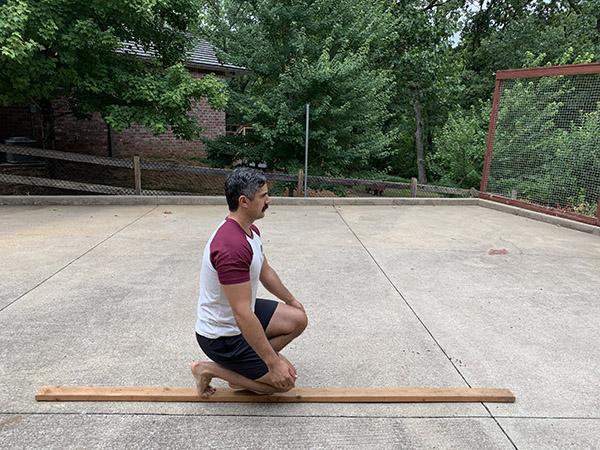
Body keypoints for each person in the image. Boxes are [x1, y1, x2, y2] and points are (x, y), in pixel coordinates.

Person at [191, 167, 308, 397]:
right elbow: (242, 313)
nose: (268, 200)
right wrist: (273, 364)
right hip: (222, 336)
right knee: (280, 384)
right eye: (263, 196)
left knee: (297, 319)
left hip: (238, 320)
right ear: (244, 201)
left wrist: (291, 300)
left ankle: (246, 369)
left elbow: (265, 271)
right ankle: (208, 369)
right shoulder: (230, 246)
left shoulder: (250, 230)